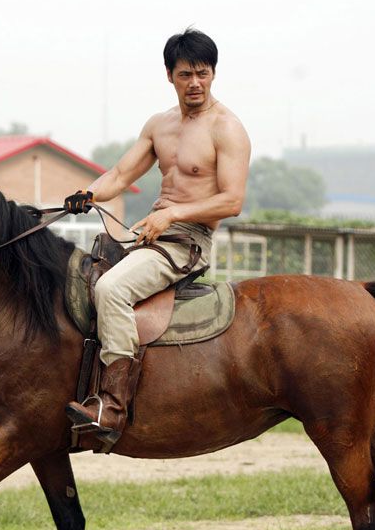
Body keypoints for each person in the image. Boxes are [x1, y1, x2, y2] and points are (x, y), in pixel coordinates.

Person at [64, 28, 251, 449]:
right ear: (170, 75)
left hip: (188, 240)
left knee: (111, 289)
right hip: (150, 230)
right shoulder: (159, 125)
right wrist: (87, 194)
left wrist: (173, 214)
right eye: (186, 74)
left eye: (203, 73)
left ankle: (111, 406)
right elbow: (120, 175)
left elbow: (232, 200)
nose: (195, 83)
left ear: (214, 74)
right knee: (78, 277)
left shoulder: (228, 129)